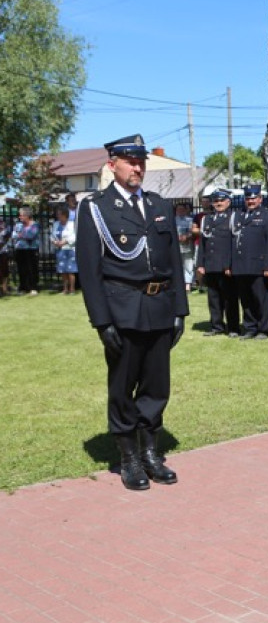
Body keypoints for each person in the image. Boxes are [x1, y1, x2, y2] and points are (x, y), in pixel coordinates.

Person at [76, 134, 188, 491]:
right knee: (123, 387)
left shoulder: (158, 204)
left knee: (157, 387)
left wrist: (179, 311)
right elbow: (90, 269)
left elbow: (173, 260)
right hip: (123, 309)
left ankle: (151, 452)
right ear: (113, 165)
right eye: (130, 162)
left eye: (141, 162)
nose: (137, 167)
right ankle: (129, 457)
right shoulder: (96, 207)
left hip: (159, 307)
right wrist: (101, 320)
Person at [231, 183, 268, 340]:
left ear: (260, 199)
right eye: (248, 199)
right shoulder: (238, 215)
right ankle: (250, 327)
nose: (250, 201)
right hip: (240, 264)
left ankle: (264, 329)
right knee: (246, 298)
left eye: (253, 198)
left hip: (259, 265)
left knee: (261, 299)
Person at [195, 189, 240, 336]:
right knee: (213, 298)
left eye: (221, 200)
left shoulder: (233, 217)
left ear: (228, 202)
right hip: (210, 264)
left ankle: (233, 328)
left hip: (225, 266)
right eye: (216, 201)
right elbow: (202, 243)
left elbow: (235, 244)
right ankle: (217, 326)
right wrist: (200, 264)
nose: (218, 203)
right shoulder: (206, 219)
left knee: (230, 298)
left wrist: (230, 264)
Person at [13, 207, 41, 296]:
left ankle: (33, 287)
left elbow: (31, 235)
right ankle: (23, 287)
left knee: (31, 269)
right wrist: (22, 235)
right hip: (20, 249)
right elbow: (14, 235)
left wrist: (21, 235)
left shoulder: (35, 225)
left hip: (31, 250)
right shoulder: (18, 225)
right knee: (22, 269)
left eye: (21, 215)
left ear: (27, 216)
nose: (20, 217)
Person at [51, 205, 78, 294]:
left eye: (60, 214)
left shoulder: (72, 224)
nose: (58, 216)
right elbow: (52, 235)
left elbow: (74, 236)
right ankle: (65, 289)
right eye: (57, 214)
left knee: (71, 270)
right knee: (63, 270)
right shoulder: (56, 224)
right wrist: (54, 242)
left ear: (65, 215)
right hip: (60, 250)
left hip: (70, 249)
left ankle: (72, 289)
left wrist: (65, 241)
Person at [174, 202, 195, 292]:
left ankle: (188, 284)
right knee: (178, 265)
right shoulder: (173, 220)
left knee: (188, 264)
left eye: (182, 209)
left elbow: (193, 232)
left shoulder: (190, 220)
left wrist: (188, 236)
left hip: (187, 245)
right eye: (178, 209)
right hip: (176, 246)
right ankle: (179, 284)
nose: (180, 211)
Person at [0, 216, 12, 296]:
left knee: (4, 271)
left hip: (3, 251)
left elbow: (7, 236)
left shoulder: (4, 225)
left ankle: (4, 289)